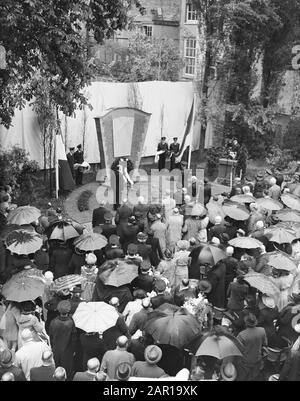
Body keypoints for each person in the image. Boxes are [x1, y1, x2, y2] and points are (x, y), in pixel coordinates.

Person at [49, 300, 77, 380]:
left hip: (56, 350)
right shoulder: (71, 322)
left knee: (57, 370)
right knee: (68, 371)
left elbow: (51, 337)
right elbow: (74, 339)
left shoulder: (53, 322)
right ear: (68, 311)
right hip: (68, 351)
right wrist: (74, 350)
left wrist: (52, 347)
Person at [236, 314, 268, 381]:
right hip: (257, 359)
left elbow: (237, 349)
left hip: (245, 362)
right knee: (253, 377)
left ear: (246, 323)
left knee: (242, 377)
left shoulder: (241, 335)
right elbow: (265, 344)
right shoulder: (262, 330)